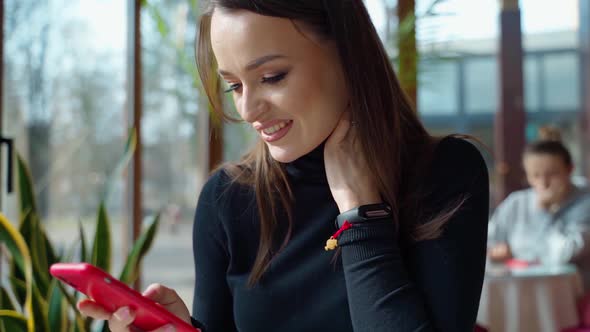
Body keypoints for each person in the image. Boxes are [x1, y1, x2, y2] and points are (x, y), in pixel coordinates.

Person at [77, 1, 489, 331]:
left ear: (348, 55)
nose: (247, 108)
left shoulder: (446, 174)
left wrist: (361, 216)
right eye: (234, 85)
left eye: (272, 76)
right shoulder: (228, 198)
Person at [488, 138, 590, 289]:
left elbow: (564, 255)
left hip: (568, 294)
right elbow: (489, 242)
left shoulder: (585, 202)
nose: (543, 183)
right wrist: (495, 252)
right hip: (519, 289)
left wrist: (546, 211)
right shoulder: (516, 202)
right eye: (535, 175)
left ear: (570, 169)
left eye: (552, 174)